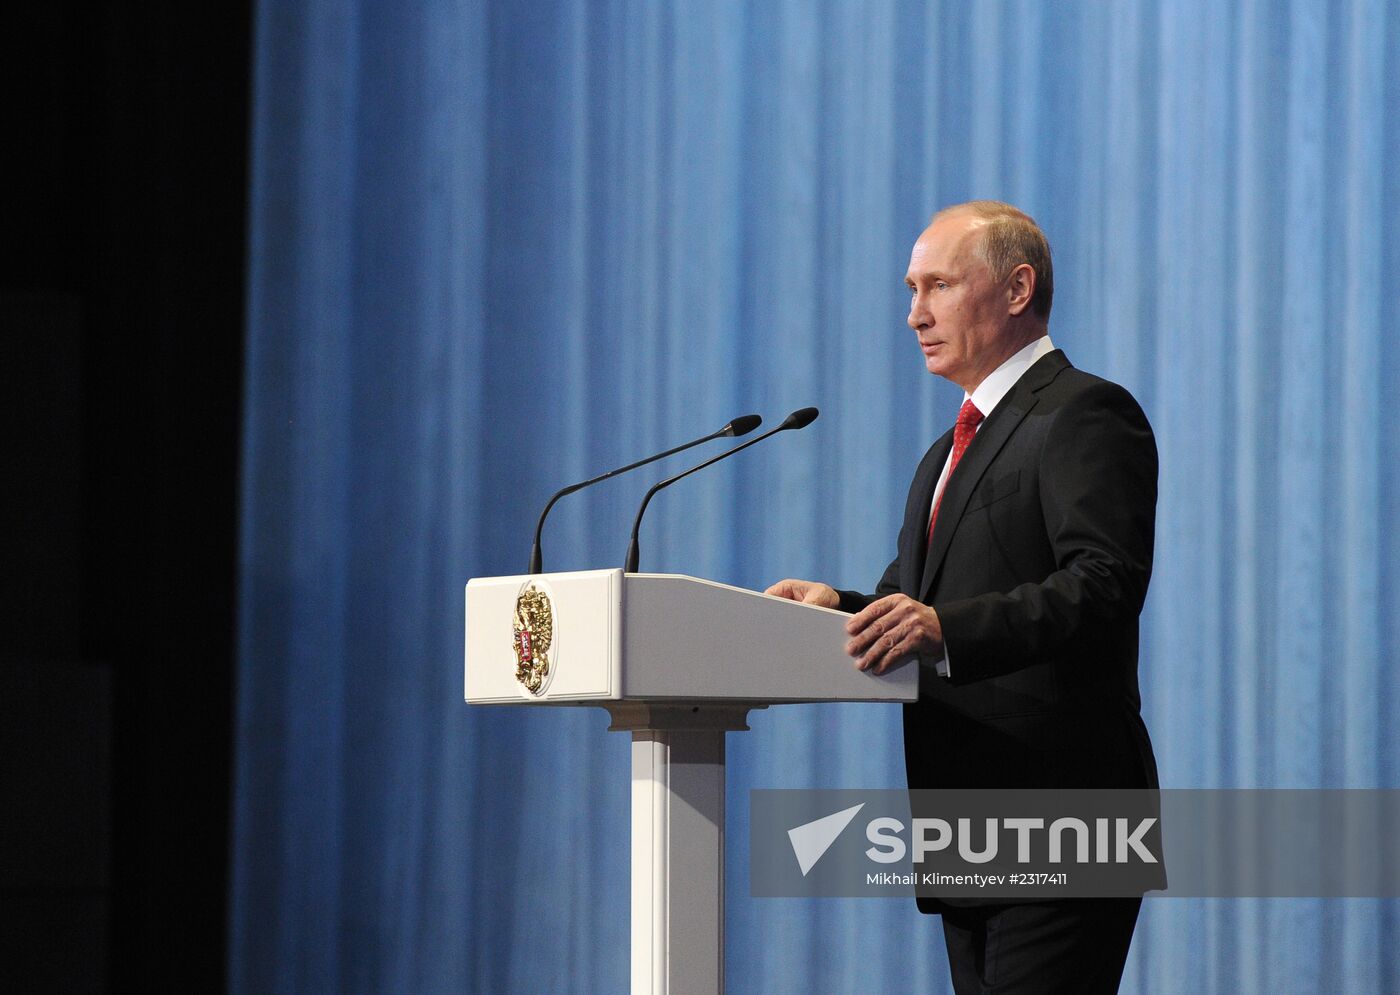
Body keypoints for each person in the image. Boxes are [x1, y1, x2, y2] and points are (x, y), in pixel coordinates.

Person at [766, 201, 1159, 993]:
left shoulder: (1084, 412)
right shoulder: (947, 450)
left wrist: (943, 627)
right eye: (912, 289)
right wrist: (837, 606)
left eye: (938, 286)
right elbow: (912, 601)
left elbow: (1103, 585)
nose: (914, 314)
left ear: (1017, 288)